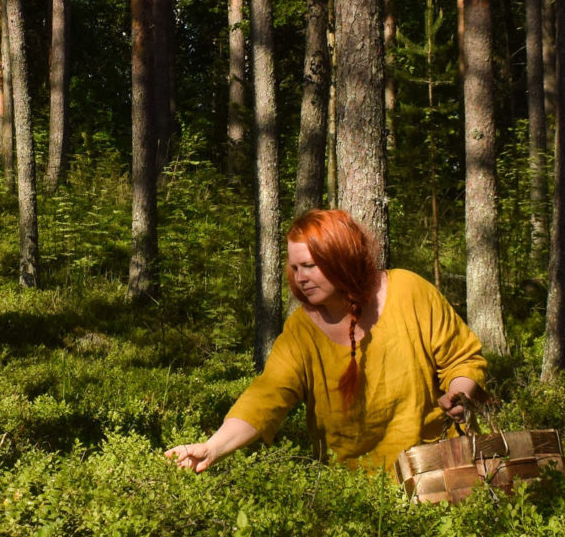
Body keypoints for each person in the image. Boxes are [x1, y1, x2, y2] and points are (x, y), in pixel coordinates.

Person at [165, 206, 485, 480]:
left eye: (310, 266)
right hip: (350, 490)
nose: (300, 277)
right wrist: (213, 447)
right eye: (294, 267)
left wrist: (460, 392)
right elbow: (266, 398)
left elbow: (462, 358)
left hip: (437, 474)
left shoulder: (410, 291)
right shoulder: (301, 331)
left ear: (341, 259)